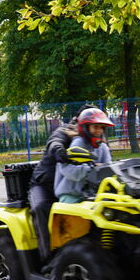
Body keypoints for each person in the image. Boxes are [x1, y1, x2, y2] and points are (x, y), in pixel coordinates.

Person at [28, 105, 92, 262]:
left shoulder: (93, 138)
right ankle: (48, 258)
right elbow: (54, 142)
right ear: (79, 120)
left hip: (74, 188)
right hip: (43, 185)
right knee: (41, 207)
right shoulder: (65, 131)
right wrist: (60, 151)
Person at [54, 108, 114, 203]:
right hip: (72, 194)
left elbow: (108, 168)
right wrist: (91, 168)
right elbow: (67, 169)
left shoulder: (103, 147)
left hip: (93, 194)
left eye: (101, 127)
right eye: (95, 127)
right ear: (85, 127)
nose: (99, 130)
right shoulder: (78, 143)